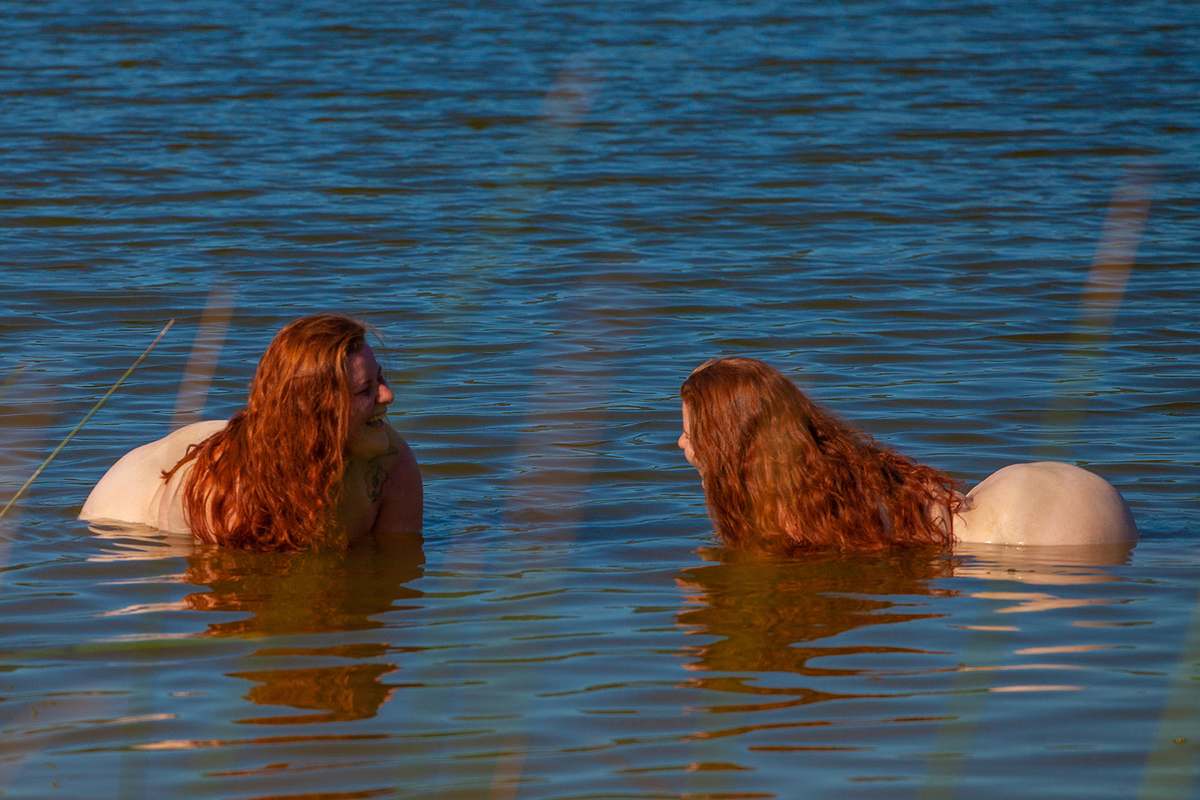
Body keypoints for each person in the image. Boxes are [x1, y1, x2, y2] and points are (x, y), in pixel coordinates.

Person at [677, 357, 1136, 552]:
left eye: (690, 433)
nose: (681, 444)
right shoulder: (834, 467)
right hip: (1033, 492)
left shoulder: (785, 511)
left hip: (1039, 537)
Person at [80, 314, 422, 551]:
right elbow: (220, 600)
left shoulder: (391, 462)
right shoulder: (233, 496)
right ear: (319, 408)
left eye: (381, 379)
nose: (388, 396)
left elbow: (397, 566)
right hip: (131, 509)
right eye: (366, 390)